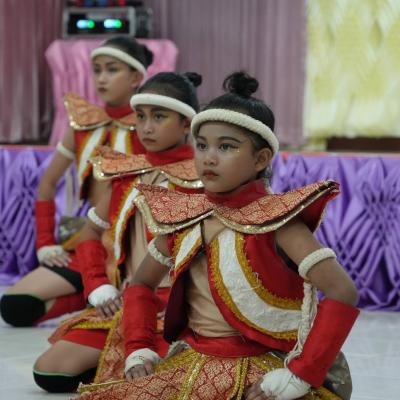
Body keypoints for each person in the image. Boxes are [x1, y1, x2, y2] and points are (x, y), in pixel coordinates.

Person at [78, 72, 359, 400]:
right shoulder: (184, 218)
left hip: (263, 370)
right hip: (191, 364)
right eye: (201, 145)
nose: (209, 157)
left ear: (261, 159)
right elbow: (140, 284)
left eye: (226, 147)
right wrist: (139, 348)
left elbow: (342, 290)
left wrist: (300, 374)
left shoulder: (279, 222)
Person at [32, 71, 204, 393]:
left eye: (159, 117)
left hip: (184, 308)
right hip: (132, 301)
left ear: (186, 124)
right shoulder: (128, 175)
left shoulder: (203, 178)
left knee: (162, 381)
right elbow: (88, 234)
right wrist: (97, 284)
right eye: (141, 116)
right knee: (49, 371)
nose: (147, 127)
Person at [0, 36, 153, 328]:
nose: (102, 78)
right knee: (15, 306)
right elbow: (47, 184)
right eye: (97, 70)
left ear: (136, 77)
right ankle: (95, 299)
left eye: (112, 69)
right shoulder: (82, 125)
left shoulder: (151, 128)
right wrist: (45, 244)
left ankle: (114, 298)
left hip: (138, 245)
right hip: (92, 242)